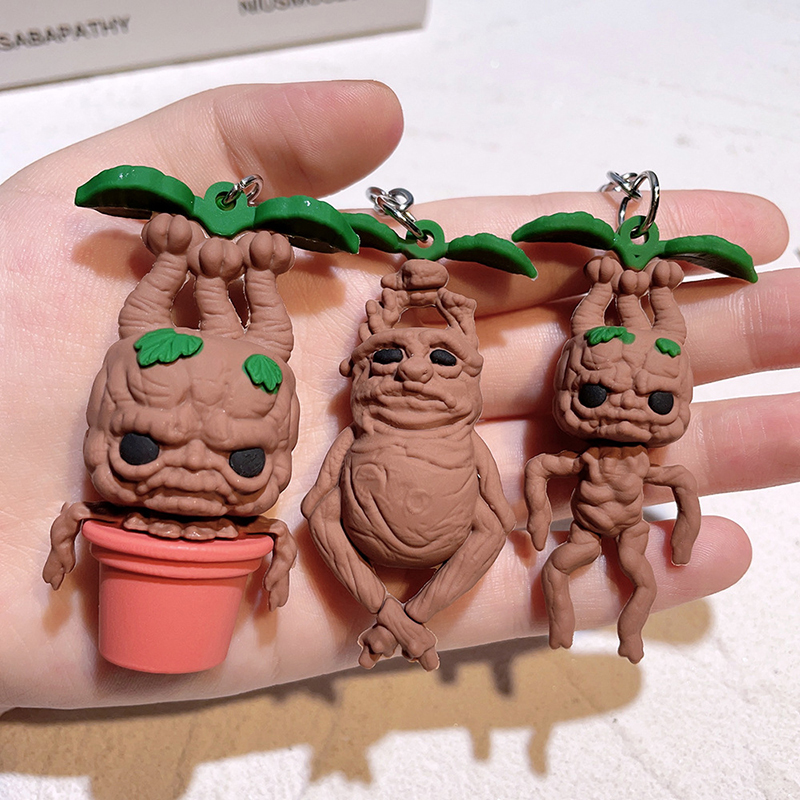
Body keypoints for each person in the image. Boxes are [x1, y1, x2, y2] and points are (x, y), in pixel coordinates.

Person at [0, 80, 794, 713]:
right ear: (356, 372)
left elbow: (504, 502)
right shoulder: (321, 415)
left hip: (438, 498)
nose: (415, 371)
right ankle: (403, 615)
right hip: (340, 501)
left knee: (495, 535)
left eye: (442, 358)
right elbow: (316, 502)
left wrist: (519, 512)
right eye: (141, 446)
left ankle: (409, 617)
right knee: (322, 503)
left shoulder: (471, 418)